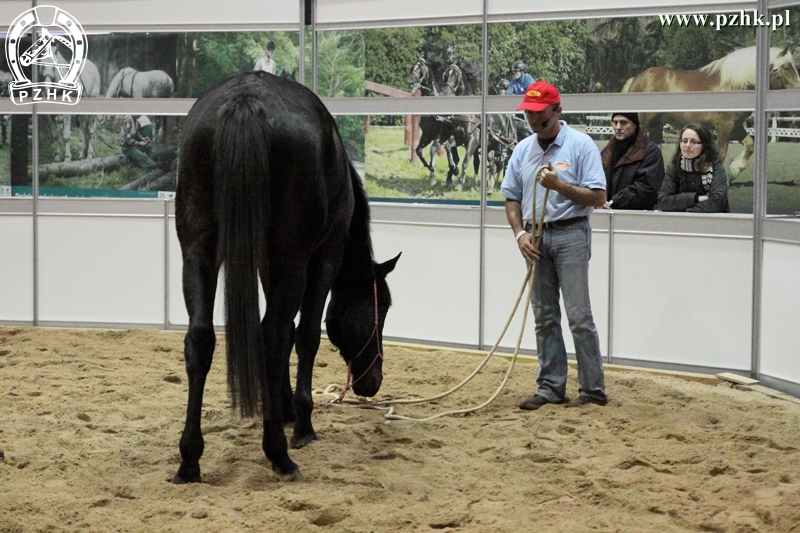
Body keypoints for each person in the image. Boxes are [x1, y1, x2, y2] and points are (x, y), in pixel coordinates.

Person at [500, 81, 608, 410]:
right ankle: (550, 386)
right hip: (536, 237)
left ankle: (592, 389)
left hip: (571, 233)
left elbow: (598, 197)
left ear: (557, 110)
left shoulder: (581, 145)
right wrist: (520, 234)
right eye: (529, 116)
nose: (534, 122)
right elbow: (511, 198)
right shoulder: (522, 150)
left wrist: (558, 185)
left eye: (540, 116)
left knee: (578, 315)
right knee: (544, 316)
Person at [657, 123, 729, 213]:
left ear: (705, 145)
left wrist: (683, 210)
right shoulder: (674, 167)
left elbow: (717, 203)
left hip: (712, 223)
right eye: (684, 141)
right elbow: (663, 202)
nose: (687, 145)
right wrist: (696, 198)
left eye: (694, 142)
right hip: (679, 223)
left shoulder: (715, 167)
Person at [600, 113, 665, 210]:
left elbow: (648, 186)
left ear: (635, 125)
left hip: (637, 216)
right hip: (607, 213)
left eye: (623, 123)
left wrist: (615, 201)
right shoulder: (607, 151)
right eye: (615, 122)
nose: (618, 127)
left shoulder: (650, 151)